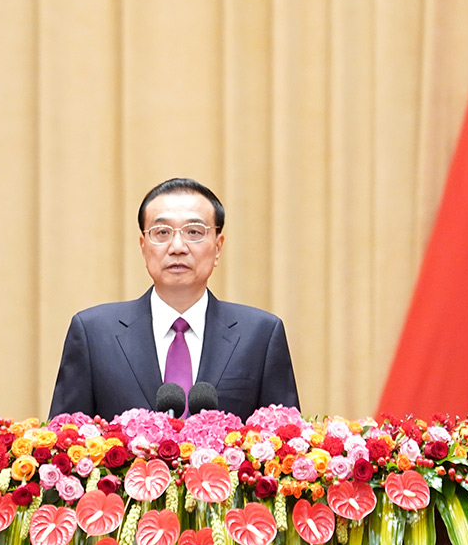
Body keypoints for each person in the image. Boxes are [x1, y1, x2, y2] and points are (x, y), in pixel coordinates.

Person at [48, 177, 299, 420]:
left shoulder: (260, 335)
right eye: (162, 232)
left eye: (194, 231)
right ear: (143, 246)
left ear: (218, 247)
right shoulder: (93, 334)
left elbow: (286, 439)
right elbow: (65, 438)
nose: (177, 247)